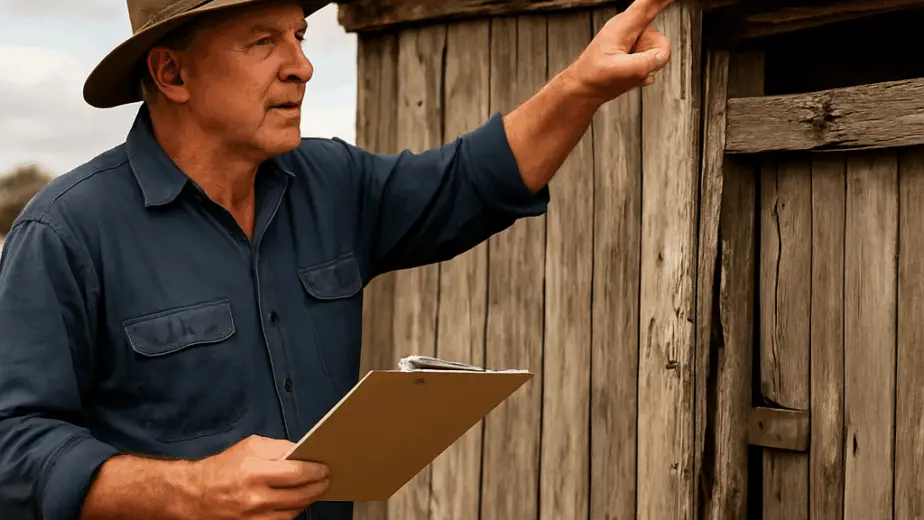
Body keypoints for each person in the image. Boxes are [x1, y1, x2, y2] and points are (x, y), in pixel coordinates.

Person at [0, 0, 673, 518]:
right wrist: (188, 490)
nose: (301, 64)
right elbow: (13, 448)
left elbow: (476, 179)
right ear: (172, 73)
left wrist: (583, 85)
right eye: (264, 41)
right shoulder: (67, 232)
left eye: (298, 35)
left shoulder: (333, 184)